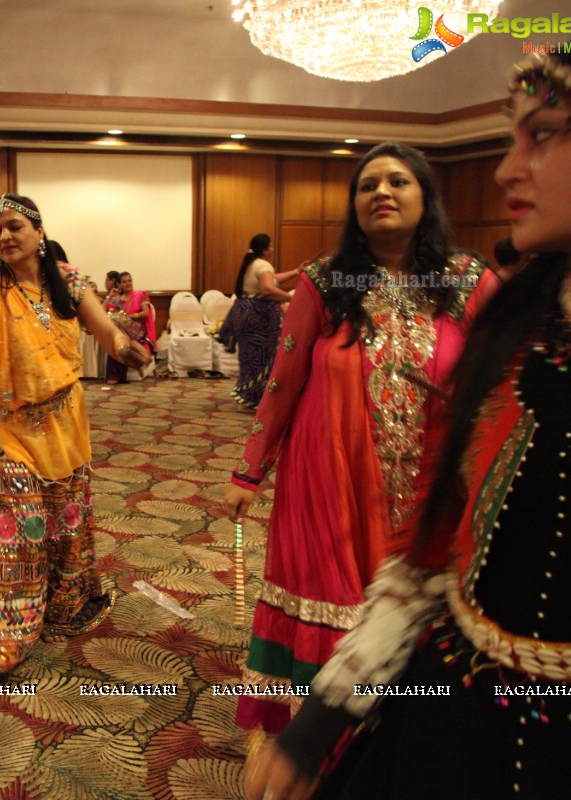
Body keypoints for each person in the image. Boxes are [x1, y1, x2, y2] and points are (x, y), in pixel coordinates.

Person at [245, 35, 571, 800]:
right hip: (455, 711)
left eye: (544, 133)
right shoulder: (511, 330)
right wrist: (317, 723)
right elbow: (431, 551)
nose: (506, 168)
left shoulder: (470, 287)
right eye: (509, 137)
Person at [222, 142, 496, 738]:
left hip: (435, 489)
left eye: (398, 182)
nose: (382, 193)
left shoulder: (467, 280)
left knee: (421, 607)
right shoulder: (328, 280)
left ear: (426, 197)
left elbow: (506, 379)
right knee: (337, 596)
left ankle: (407, 735)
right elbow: (284, 379)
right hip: (330, 478)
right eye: (368, 184)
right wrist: (249, 471)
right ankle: (323, 736)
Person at [0, 194, 152, 682]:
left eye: (14, 226)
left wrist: (128, 350)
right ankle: (0, 636)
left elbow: (107, 334)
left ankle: (64, 602)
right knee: (16, 531)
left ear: (38, 231)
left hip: (63, 423)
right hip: (5, 428)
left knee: (64, 521)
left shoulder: (70, 281)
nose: (5, 237)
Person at [218, 234, 299, 407]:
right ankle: (255, 397)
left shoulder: (252, 263)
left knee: (250, 357)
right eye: (270, 247)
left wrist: (296, 272)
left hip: (245, 314)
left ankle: (249, 395)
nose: (272, 249)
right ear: (264, 249)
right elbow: (268, 288)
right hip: (257, 317)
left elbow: (272, 279)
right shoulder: (263, 264)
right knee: (261, 357)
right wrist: (294, 299)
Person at [105, 271, 156, 384]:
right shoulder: (117, 298)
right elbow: (104, 310)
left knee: (118, 335)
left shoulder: (140, 295)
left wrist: (132, 316)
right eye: (124, 282)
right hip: (122, 329)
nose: (128, 283)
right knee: (116, 336)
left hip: (136, 329)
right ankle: (117, 375)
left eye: (130, 280)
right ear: (119, 284)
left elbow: (146, 313)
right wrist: (110, 296)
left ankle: (114, 376)